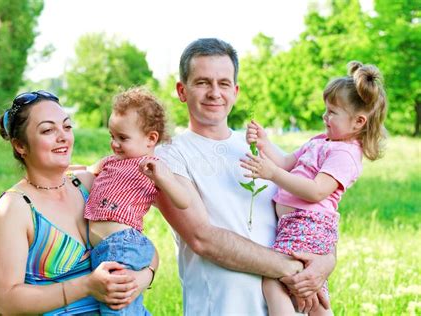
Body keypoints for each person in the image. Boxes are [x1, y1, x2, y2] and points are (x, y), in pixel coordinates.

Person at [155, 37, 336, 315]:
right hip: (223, 307)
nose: (215, 92)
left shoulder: (260, 149)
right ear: (182, 90)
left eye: (224, 83)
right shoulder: (169, 157)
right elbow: (203, 238)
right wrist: (291, 268)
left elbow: (309, 213)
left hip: (288, 304)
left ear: (235, 91)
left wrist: (326, 261)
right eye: (203, 82)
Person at [0, 90, 157, 315]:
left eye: (67, 127)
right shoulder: (15, 208)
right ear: (20, 145)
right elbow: (4, 302)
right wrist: (87, 285)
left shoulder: (88, 185)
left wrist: (140, 278)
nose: (63, 137)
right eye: (48, 130)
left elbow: (145, 250)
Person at [241, 61, 387, 315]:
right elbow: (287, 162)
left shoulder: (346, 153)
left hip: (309, 223)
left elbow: (317, 191)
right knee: (309, 294)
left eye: (332, 112)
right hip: (296, 224)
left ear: (358, 121)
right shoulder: (321, 141)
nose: (324, 116)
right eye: (326, 110)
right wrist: (265, 143)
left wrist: (272, 174)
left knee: (276, 280)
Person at [84, 87, 189, 315]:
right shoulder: (110, 162)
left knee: (117, 305)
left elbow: (183, 200)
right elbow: (85, 172)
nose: (115, 143)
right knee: (123, 305)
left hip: (123, 244)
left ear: (151, 138)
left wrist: (163, 178)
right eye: (112, 136)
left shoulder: (152, 166)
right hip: (102, 248)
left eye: (123, 138)